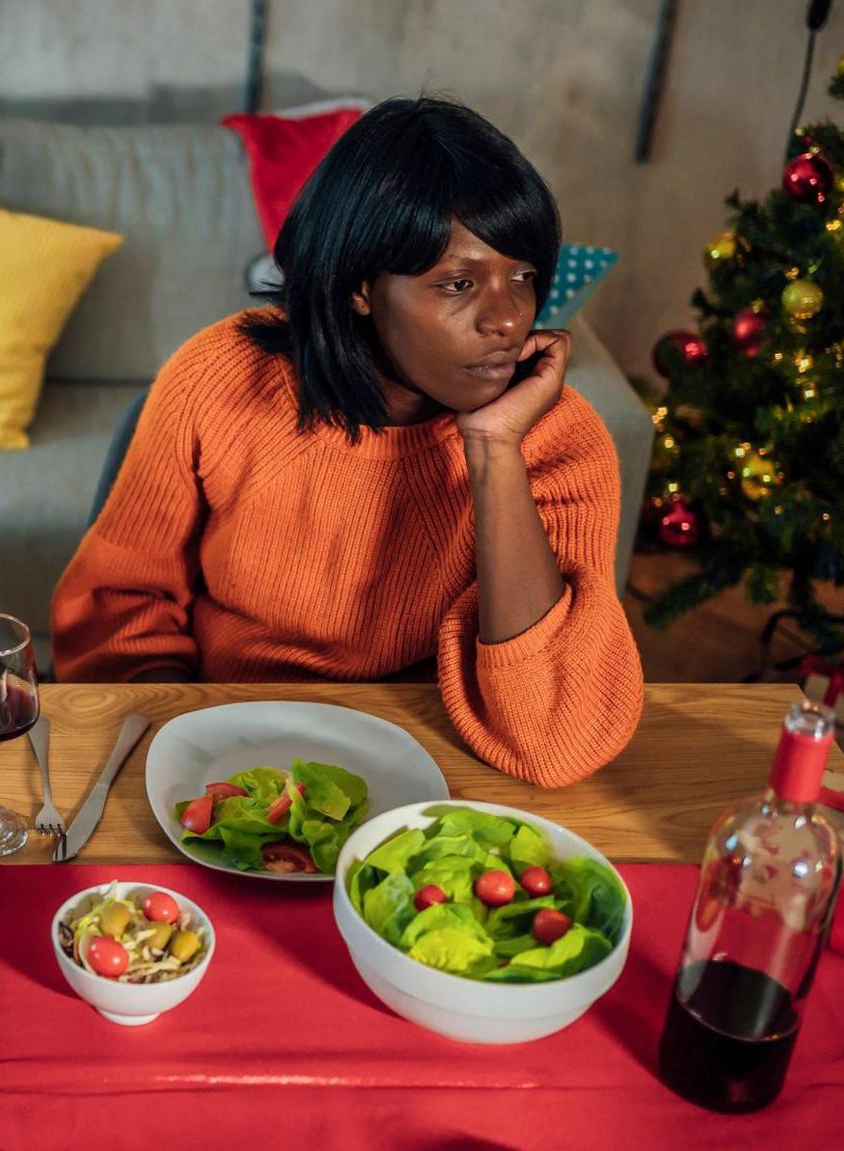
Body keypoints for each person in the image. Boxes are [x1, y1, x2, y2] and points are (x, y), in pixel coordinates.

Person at [51, 96, 642, 786]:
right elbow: (120, 611)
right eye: (458, 283)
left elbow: (554, 742)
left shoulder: (562, 441)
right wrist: (190, 752)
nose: (508, 319)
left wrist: (493, 451)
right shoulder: (219, 379)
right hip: (222, 743)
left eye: (524, 277)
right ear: (362, 288)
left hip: (441, 758)